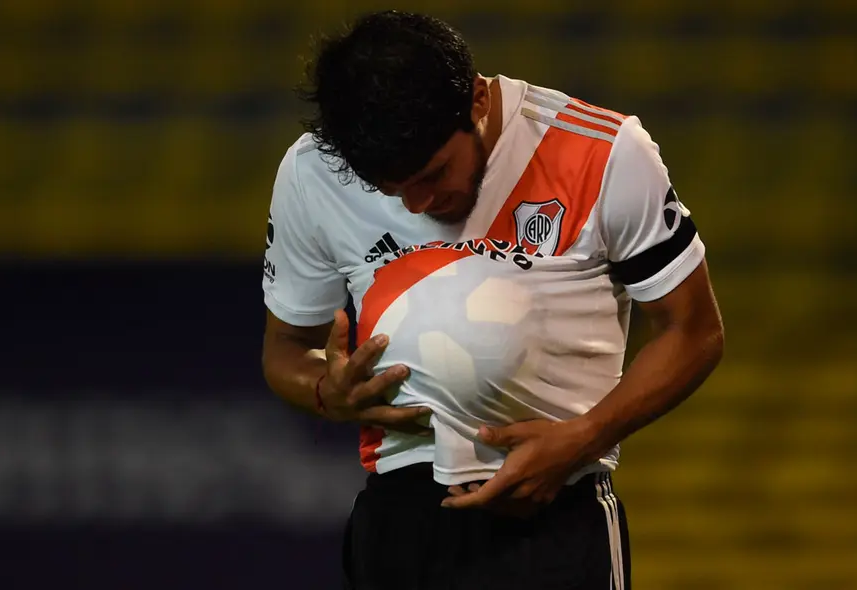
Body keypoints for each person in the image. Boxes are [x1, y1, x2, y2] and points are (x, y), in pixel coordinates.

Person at [261, 10, 724, 590]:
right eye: (391, 189)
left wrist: (582, 439)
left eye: (433, 174)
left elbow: (694, 331)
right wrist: (329, 392)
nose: (416, 205)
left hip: (554, 518)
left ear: (477, 101)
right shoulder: (313, 173)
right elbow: (285, 350)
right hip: (396, 530)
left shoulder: (604, 153)